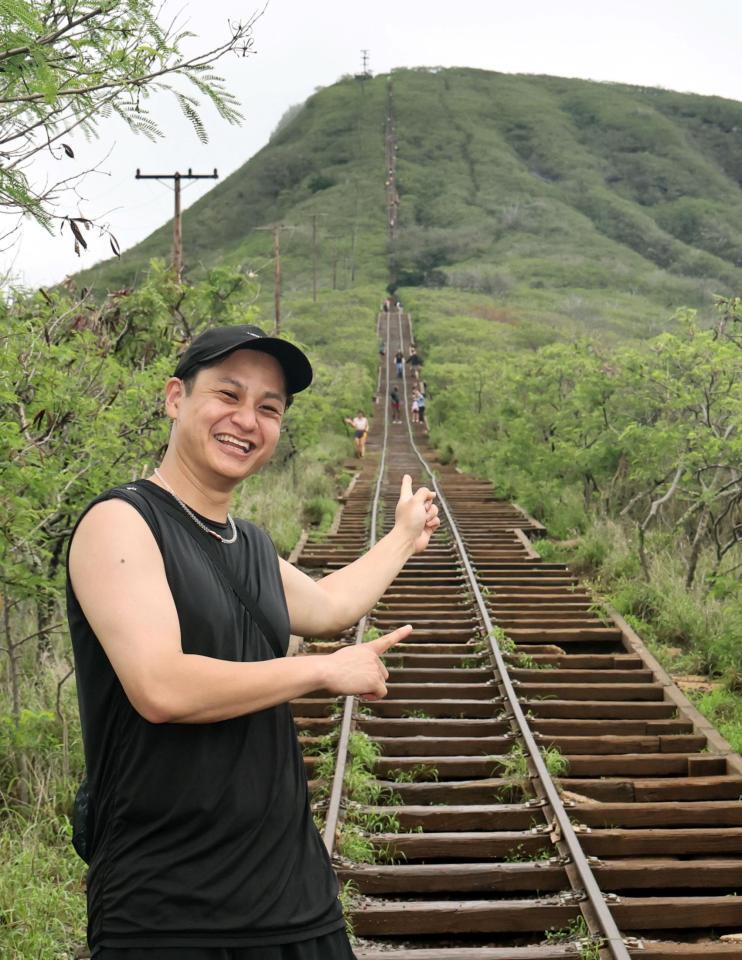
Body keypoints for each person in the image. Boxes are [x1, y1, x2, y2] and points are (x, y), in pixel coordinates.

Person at [66, 323, 440, 960]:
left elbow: (331, 607)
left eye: (269, 408)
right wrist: (320, 672)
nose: (247, 419)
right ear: (175, 398)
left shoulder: (251, 545)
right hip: (168, 910)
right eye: (228, 395)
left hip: (292, 897)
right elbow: (161, 686)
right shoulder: (122, 523)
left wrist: (403, 537)